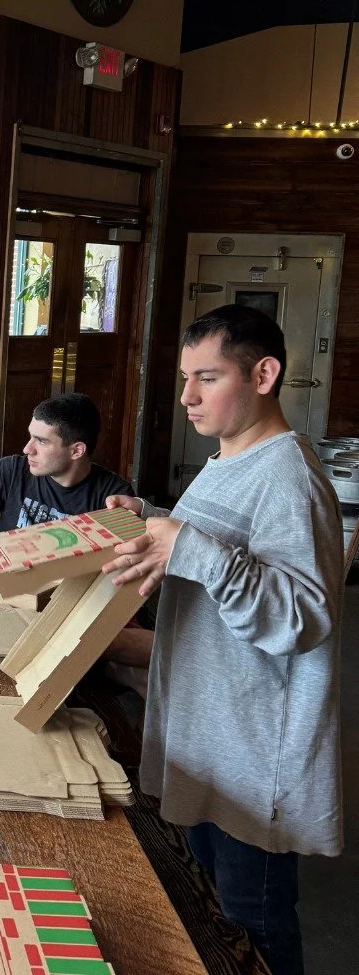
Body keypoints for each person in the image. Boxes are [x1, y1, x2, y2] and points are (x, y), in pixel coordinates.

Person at [103, 304, 343, 975]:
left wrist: (188, 545)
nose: (187, 397)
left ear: (263, 374)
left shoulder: (291, 480)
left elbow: (303, 616)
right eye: (186, 378)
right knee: (215, 918)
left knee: (254, 931)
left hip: (253, 757)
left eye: (207, 378)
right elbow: (222, 545)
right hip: (208, 740)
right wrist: (151, 518)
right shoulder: (228, 460)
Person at [0, 392, 153, 674]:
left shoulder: (113, 496)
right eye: (30, 437)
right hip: (6, 602)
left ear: (76, 451)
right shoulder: (11, 471)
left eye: (42, 441)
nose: (27, 449)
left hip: (67, 610)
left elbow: (116, 581)